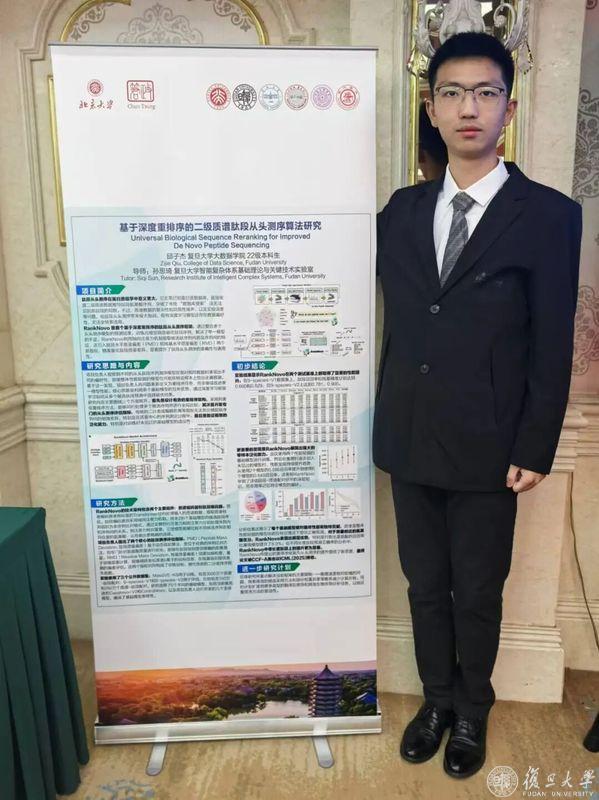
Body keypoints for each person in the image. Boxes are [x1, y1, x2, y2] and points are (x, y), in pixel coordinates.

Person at [374, 31, 582, 779]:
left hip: (491, 444)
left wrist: (534, 444)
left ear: (508, 110)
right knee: (425, 586)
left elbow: (552, 339)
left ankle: (470, 712)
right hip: (408, 434)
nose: (469, 108)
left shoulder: (548, 215)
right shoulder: (399, 212)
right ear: (431, 109)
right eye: (453, 93)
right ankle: (434, 701)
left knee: (478, 592)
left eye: (485, 93)